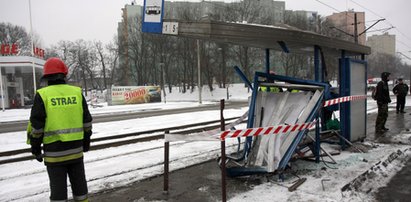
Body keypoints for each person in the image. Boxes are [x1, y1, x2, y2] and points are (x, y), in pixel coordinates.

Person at [26, 57, 92, 202]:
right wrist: (86, 144)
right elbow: (87, 122)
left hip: (54, 154)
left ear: (46, 77)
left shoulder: (42, 95)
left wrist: (35, 149)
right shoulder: (76, 92)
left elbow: (37, 127)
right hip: (76, 152)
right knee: (80, 189)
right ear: (64, 75)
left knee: (58, 192)